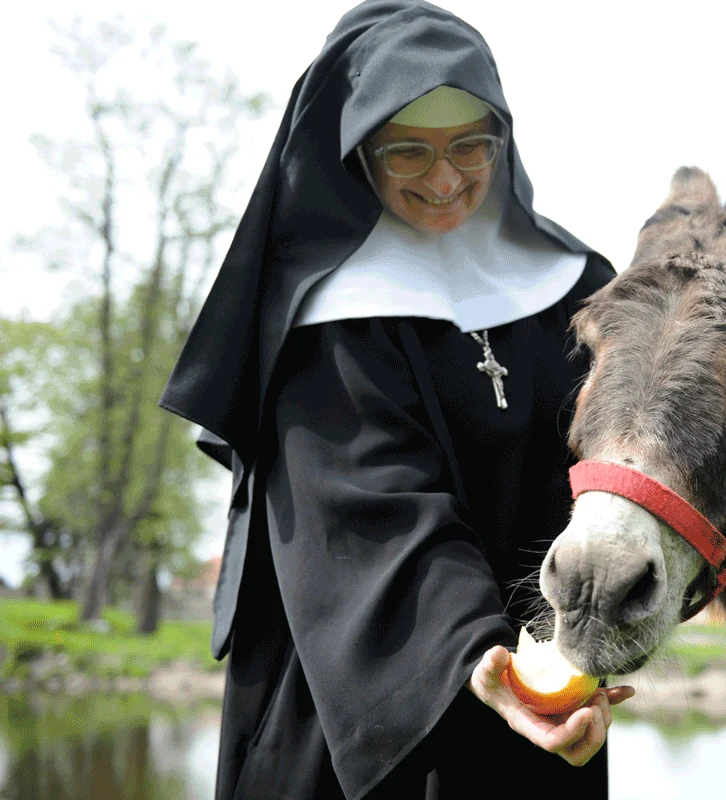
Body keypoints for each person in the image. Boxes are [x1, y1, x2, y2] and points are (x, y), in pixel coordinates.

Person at [160, 2, 630, 797]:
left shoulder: (576, 292)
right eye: (408, 151)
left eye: (470, 147)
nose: (445, 179)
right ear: (356, 154)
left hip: (551, 707)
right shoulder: (328, 323)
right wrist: (478, 664)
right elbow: (371, 515)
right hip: (365, 725)